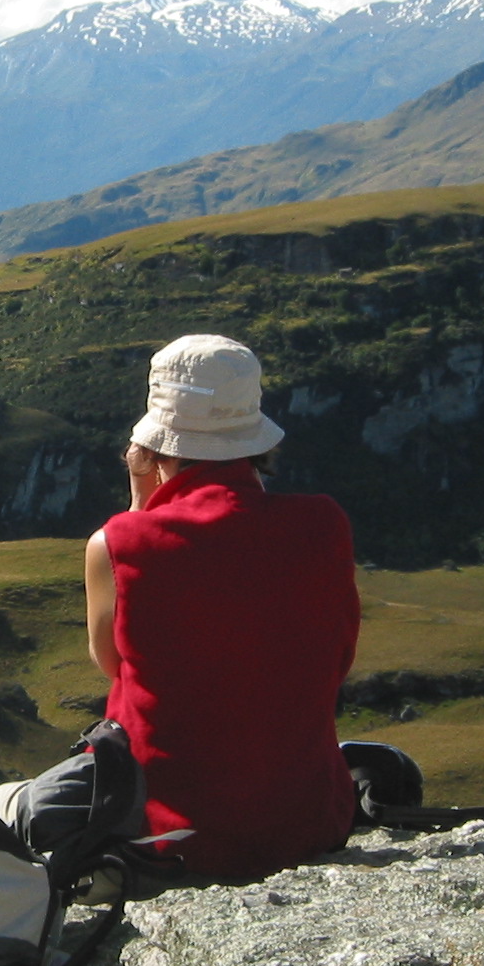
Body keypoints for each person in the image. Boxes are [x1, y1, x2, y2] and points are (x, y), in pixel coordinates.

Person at [84, 334, 360, 884]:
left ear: (153, 446)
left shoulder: (116, 543)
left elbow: (115, 666)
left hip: (162, 836)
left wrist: (138, 511)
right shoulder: (324, 523)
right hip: (310, 822)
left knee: (13, 807)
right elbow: (339, 659)